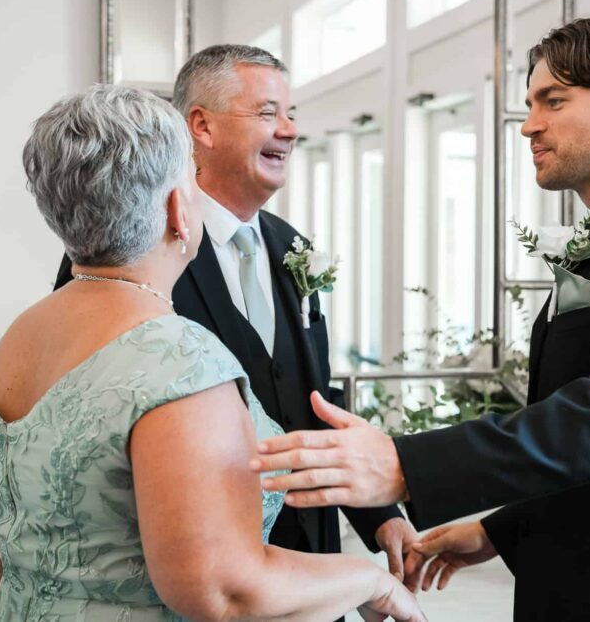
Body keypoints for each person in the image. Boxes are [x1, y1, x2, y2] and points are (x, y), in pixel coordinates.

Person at [253, 14, 590, 622]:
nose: (530, 124)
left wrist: (404, 465)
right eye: (529, 103)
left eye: (554, 101)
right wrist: (502, 530)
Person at [0, 84, 425, 621]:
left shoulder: (9, 347)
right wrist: (371, 582)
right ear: (179, 208)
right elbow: (224, 592)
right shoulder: (179, 359)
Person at [51, 45, 416, 585]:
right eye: (268, 113)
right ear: (202, 126)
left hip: (308, 560)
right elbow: (85, 400)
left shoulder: (292, 246)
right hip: (197, 562)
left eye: (291, 115)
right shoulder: (131, 247)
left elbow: (311, 398)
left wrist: (380, 516)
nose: (289, 131)